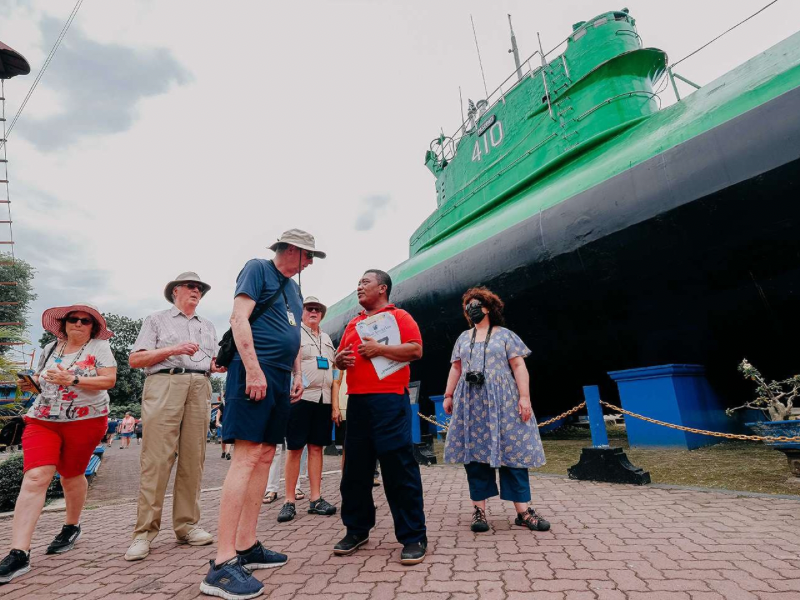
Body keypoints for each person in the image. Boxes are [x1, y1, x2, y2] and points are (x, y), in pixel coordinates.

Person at [201, 229, 324, 600]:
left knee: (267, 453)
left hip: (281, 377)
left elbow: (293, 336)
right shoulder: (257, 269)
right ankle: (222, 564)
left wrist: (297, 375)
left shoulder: (294, 288)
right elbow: (239, 319)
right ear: (289, 250)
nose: (309, 263)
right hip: (253, 372)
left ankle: (247, 544)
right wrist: (253, 370)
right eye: (307, 255)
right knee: (247, 455)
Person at [0, 304, 117, 584]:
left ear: (93, 327)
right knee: (36, 476)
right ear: (63, 324)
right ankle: (19, 553)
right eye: (72, 319)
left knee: (71, 475)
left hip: (86, 421)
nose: (78, 323)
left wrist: (73, 378)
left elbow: (109, 380)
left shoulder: (99, 347)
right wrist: (33, 384)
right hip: (43, 419)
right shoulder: (51, 348)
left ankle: (71, 526)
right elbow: (44, 381)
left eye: (85, 321)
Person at [124, 272, 224, 562]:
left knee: (194, 457)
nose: (196, 291)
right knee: (157, 459)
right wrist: (175, 349)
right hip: (165, 382)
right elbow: (135, 359)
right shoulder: (156, 319)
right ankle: (143, 533)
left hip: (200, 385)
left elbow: (213, 361)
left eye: (200, 288)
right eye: (190, 287)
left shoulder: (208, 325)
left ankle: (187, 525)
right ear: (175, 292)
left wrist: (220, 365)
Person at [333, 269, 427, 565]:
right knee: (355, 472)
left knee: (398, 468)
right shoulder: (353, 322)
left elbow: (416, 350)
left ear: (382, 288)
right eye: (358, 282)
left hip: (389, 401)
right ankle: (357, 529)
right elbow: (339, 356)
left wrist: (380, 348)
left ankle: (413, 536)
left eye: (365, 282)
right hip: (358, 403)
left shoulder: (400, 317)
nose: (358, 286)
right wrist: (340, 360)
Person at [443, 287, 550, 533]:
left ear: (489, 307)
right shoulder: (462, 338)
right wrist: (448, 395)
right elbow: (456, 369)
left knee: (513, 451)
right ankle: (479, 511)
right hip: (471, 402)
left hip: (503, 400)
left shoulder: (505, 335)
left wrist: (525, 398)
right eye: (467, 305)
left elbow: (518, 366)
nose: (471, 308)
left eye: (476, 303)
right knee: (474, 454)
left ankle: (523, 512)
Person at [277, 296, 338, 523]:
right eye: (309, 309)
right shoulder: (294, 334)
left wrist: (335, 402)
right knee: (294, 449)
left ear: (322, 314)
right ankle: (289, 501)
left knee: (316, 448)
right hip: (301, 398)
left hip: (323, 400)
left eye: (317, 309)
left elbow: (334, 370)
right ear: (302, 313)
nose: (313, 312)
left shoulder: (327, 338)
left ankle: (316, 498)